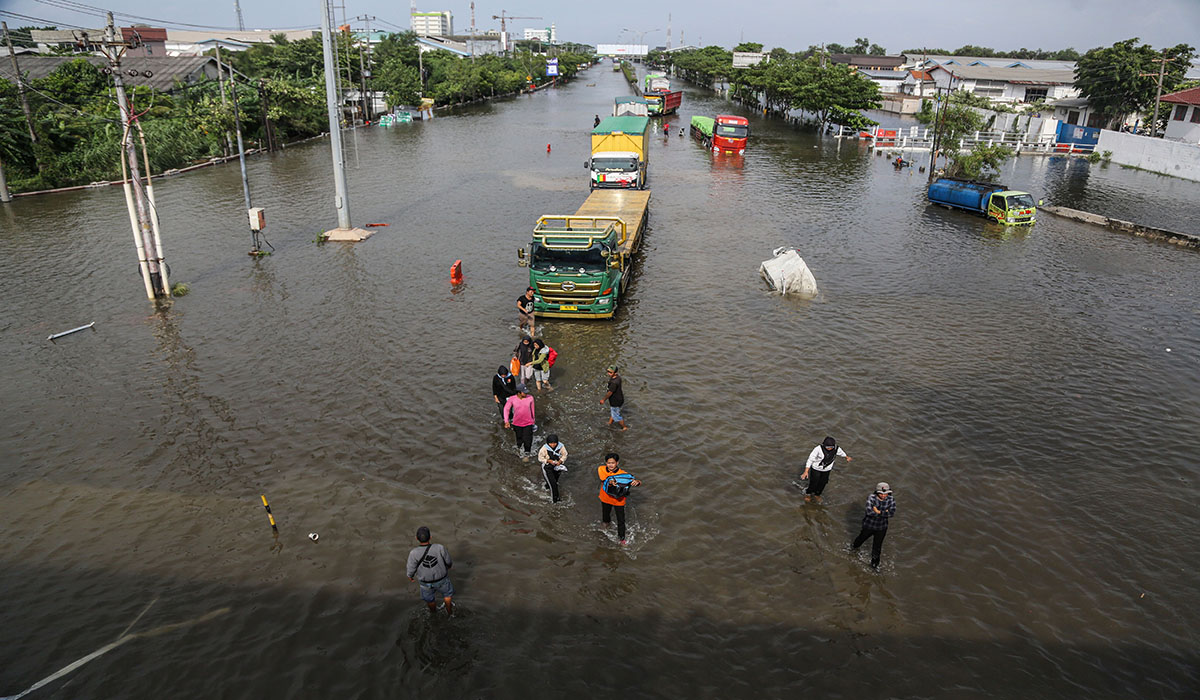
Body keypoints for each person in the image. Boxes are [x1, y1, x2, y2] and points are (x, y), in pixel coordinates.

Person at [407, 526, 454, 616]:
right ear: (430, 537)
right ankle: (449, 612)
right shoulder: (439, 547)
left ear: (417, 538)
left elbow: (411, 568)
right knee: (447, 595)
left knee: (430, 599)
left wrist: (410, 576)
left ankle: (434, 613)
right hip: (442, 579)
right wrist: (449, 566)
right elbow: (448, 561)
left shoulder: (413, 553)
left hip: (425, 583)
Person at [597, 452, 641, 545]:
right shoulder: (601, 469)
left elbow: (634, 480)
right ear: (606, 463)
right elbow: (604, 479)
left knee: (621, 520)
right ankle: (606, 525)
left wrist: (636, 482)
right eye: (609, 463)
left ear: (617, 463)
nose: (610, 465)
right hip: (605, 498)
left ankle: (622, 539)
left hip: (619, 501)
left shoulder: (623, 474)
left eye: (613, 463)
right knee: (605, 516)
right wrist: (611, 481)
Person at [851, 483, 896, 570]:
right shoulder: (871, 498)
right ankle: (853, 549)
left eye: (886, 493)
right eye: (881, 493)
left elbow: (892, 513)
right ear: (877, 492)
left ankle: (874, 566)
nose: (884, 495)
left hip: (882, 528)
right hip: (869, 525)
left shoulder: (891, 499)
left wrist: (878, 511)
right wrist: (885, 512)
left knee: (877, 547)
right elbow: (869, 512)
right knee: (860, 539)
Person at [801, 436, 852, 503]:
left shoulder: (836, 449)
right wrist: (806, 471)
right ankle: (808, 494)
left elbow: (841, 453)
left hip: (827, 470)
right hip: (816, 468)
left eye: (831, 447)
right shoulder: (818, 449)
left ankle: (817, 494)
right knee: (814, 482)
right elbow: (810, 459)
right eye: (827, 447)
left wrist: (847, 457)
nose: (830, 448)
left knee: (823, 483)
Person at [503, 383, 536, 456]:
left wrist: (533, 421)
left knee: (527, 439)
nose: (526, 393)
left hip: (528, 423)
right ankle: (519, 450)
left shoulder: (530, 398)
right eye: (524, 392)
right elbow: (506, 409)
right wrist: (506, 421)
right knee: (519, 439)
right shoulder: (512, 399)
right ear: (519, 393)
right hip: (517, 423)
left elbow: (532, 410)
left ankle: (527, 454)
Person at [537, 433, 568, 503]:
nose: (553, 445)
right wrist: (548, 460)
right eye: (551, 443)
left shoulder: (561, 447)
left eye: (554, 443)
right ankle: (555, 500)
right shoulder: (544, 449)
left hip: (557, 466)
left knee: (555, 481)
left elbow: (564, 455)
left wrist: (560, 461)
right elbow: (540, 458)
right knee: (554, 485)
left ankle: (547, 486)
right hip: (547, 467)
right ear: (548, 443)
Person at [600, 365, 626, 430]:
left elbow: (610, 393)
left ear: (615, 373)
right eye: (608, 372)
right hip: (620, 398)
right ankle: (610, 422)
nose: (609, 374)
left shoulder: (614, 383)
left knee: (616, 416)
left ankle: (624, 427)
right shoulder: (618, 378)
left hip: (615, 401)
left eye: (610, 372)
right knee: (614, 412)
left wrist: (603, 400)